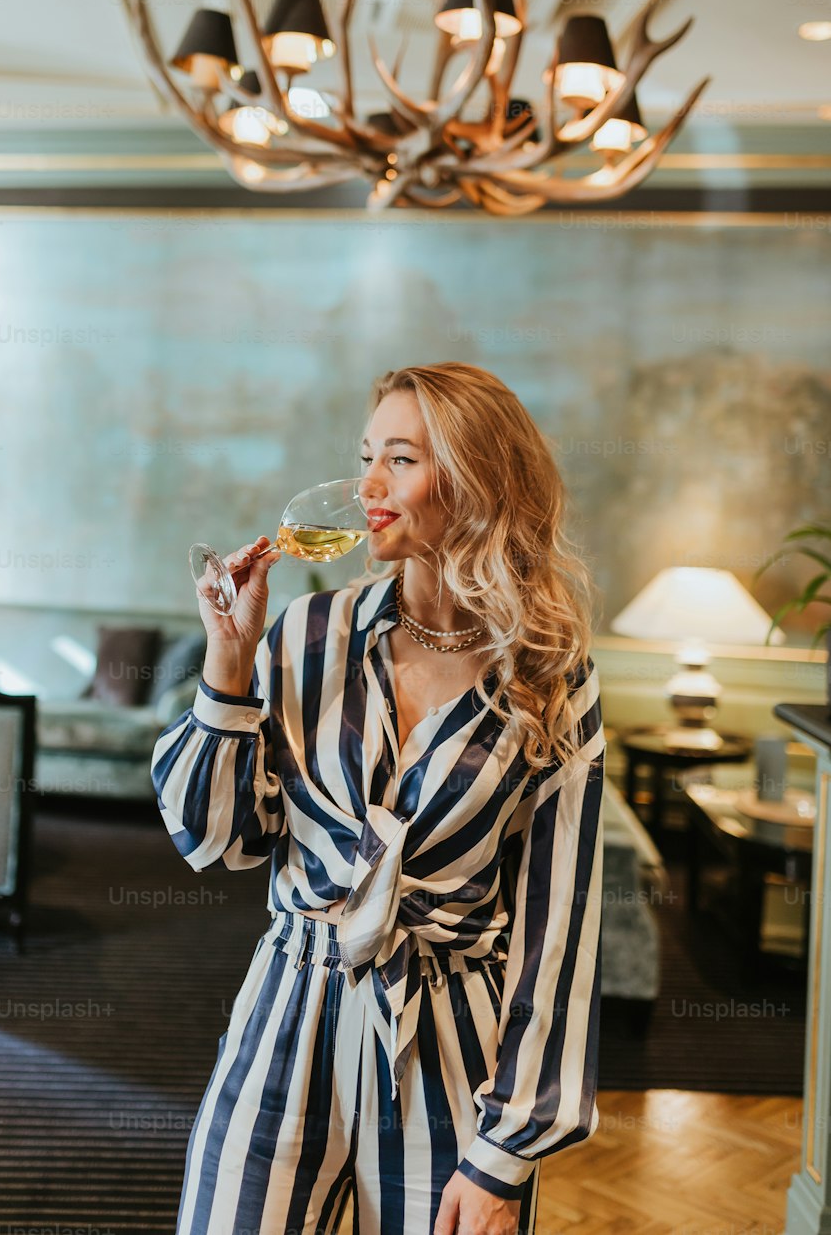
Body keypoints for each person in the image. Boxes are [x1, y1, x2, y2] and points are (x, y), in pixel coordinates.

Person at [153, 361, 606, 1235]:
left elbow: (563, 932)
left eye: (399, 459)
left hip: (450, 1052)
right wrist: (229, 663)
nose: (365, 487)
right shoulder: (305, 634)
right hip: (288, 1014)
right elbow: (217, 843)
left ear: (474, 479)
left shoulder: (552, 676)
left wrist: (504, 1155)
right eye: (366, 456)